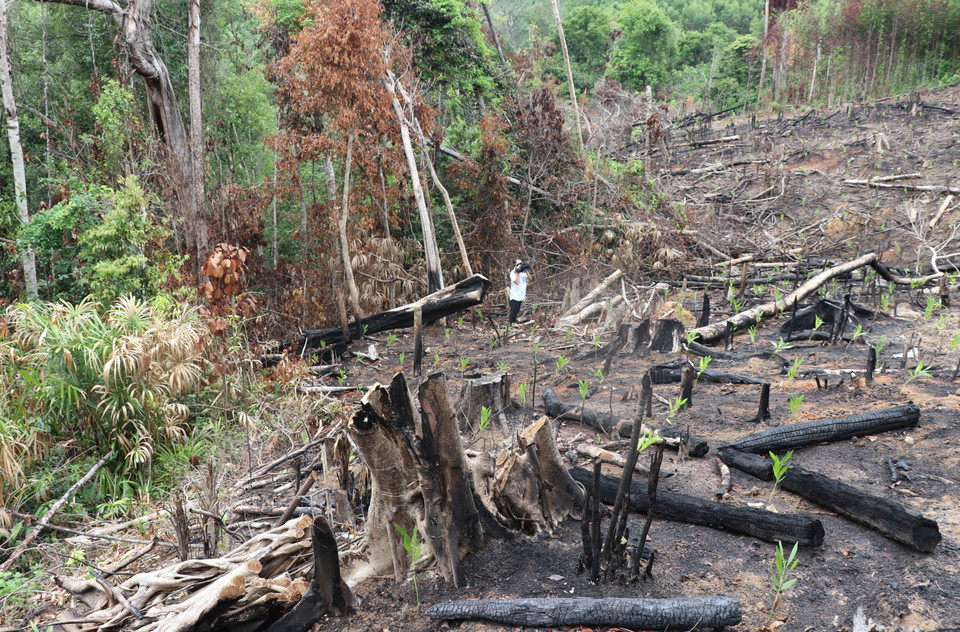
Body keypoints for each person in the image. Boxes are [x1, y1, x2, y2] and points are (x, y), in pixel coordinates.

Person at [509, 258, 531, 325]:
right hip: (515, 296)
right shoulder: (513, 273)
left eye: (521, 263)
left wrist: (526, 271)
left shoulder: (523, 273)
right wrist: (518, 273)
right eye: (518, 264)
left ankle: (513, 324)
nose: (520, 265)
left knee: (517, 311)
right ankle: (510, 325)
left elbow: (530, 278)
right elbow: (517, 282)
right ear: (515, 265)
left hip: (520, 295)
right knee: (513, 312)